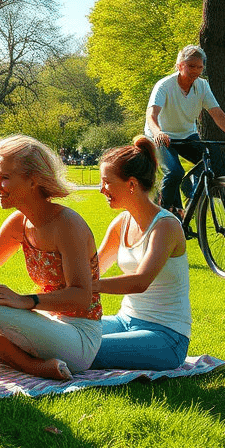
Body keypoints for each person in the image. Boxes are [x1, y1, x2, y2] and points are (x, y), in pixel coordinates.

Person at [0, 135, 102, 381]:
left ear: (33, 181)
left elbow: (82, 297)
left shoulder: (67, 225)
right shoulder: (18, 224)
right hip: (48, 324)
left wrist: (25, 301)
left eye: (5, 178)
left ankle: (13, 355)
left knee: (0, 310)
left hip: (80, 337)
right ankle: (29, 363)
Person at [90, 136, 191, 371]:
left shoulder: (166, 226)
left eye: (106, 182)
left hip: (166, 337)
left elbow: (139, 282)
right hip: (124, 321)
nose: (101, 189)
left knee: (81, 350)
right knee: (66, 335)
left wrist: (88, 286)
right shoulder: (121, 223)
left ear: (131, 184)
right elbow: (93, 268)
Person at [145, 45, 225, 216]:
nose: (196, 71)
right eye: (191, 66)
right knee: (174, 171)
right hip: (161, 136)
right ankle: (164, 214)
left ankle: (191, 196)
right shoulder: (165, 85)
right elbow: (151, 114)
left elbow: (217, 113)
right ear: (180, 66)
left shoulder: (202, 86)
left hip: (187, 135)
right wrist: (157, 132)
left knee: (211, 161)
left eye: (200, 67)